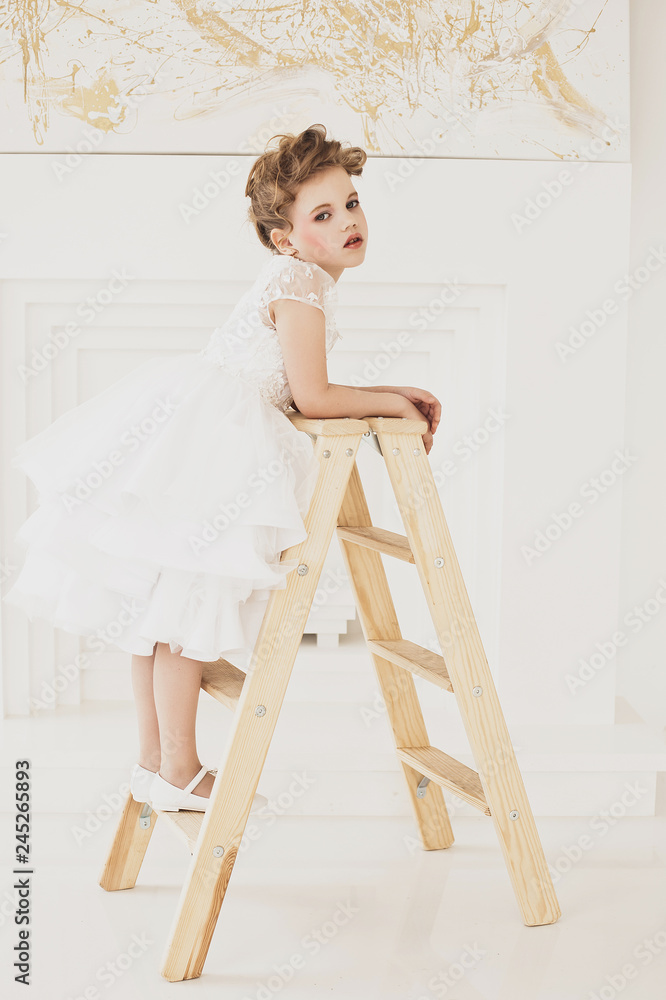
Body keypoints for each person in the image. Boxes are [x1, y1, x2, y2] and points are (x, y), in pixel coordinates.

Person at [3, 123, 440, 813]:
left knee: (162, 604)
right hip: (219, 434)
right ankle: (179, 766)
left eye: (351, 203)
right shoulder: (301, 280)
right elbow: (315, 397)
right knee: (186, 604)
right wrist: (396, 397)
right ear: (285, 238)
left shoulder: (299, 277)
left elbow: (303, 386)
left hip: (202, 424)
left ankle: (154, 761)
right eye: (323, 214)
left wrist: (385, 391)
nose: (349, 221)